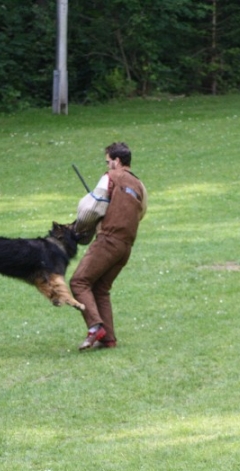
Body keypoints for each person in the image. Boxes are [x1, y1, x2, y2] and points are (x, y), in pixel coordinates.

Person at [70, 142, 147, 351]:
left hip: (108, 241)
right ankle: (108, 339)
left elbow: (91, 208)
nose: (107, 165)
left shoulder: (109, 177)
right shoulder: (140, 186)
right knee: (101, 288)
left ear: (117, 161)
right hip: (126, 246)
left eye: (108, 161)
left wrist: (78, 229)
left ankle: (96, 328)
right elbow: (141, 213)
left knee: (78, 282)